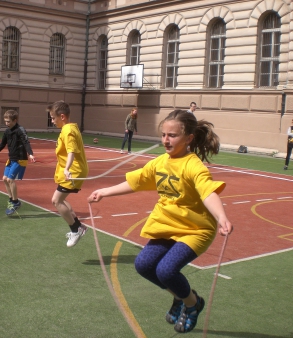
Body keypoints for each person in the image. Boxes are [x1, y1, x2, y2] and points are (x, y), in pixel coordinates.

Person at [88, 110, 233, 333]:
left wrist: (221, 216)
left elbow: (208, 192)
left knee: (166, 271)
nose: (166, 140)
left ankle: (193, 304)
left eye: (172, 135)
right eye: (164, 134)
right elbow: (136, 182)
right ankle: (180, 296)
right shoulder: (159, 163)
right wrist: (104, 192)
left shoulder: (193, 165)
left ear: (189, 139)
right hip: (167, 225)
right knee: (144, 265)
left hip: (195, 230)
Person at [48, 100, 89, 247]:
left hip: (73, 171)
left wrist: (67, 168)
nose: (52, 121)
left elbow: (71, 150)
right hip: (70, 169)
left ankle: (75, 229)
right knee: (61, 200)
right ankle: (79, 226)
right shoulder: (69, 129)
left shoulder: (68, 130)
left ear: (63, 116)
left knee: (56, 201)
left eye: (53, 118)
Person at [0, 110, 35, 216]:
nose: (6, 123)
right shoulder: (7, 131)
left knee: (10, 179)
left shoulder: (20, 130)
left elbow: (26, 142)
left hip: (20, 159)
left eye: (8, 121)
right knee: (4, 179)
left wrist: (30, 154)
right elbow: (1, 144)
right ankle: (12, 200)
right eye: (5, 121)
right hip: (11, 159)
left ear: (15, 120)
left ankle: (15, 202)